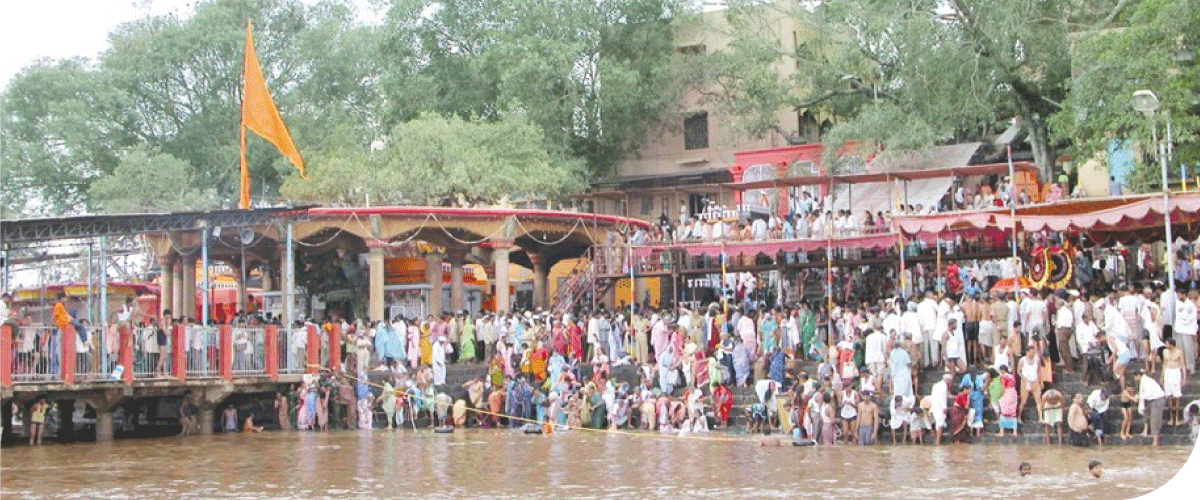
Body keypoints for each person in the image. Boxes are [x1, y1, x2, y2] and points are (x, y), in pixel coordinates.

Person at [1135, 369, 1166, 446]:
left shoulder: (1146, 381)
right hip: (1150, 400)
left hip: (1157, 399)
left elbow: (1149, 393)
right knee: (1146, 413)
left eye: (1135, 377)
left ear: (1138, 375)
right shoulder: (1143, 381)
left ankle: (1155, 441)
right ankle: (1145, 430)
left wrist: (1139, 397)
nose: (1135, 379)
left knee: (1155, 419)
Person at [1162, 339, 1186, 425]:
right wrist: (1162, 377)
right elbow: (1164, 364)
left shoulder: (1179, 352)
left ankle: (1177, 418)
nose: (1166, 346)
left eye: (1167, 344)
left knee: (1177, 396)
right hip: (1168, 372)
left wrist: (1184, 378)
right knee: (1168, 396)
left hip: (1176, 372)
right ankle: (1171, 418)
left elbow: (1182, 364)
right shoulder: (1164, 352)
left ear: (1171, 344)